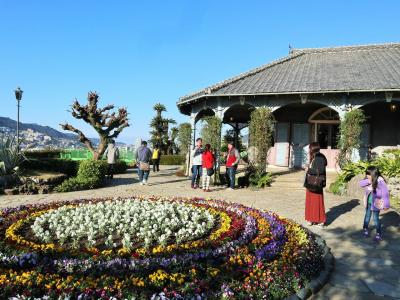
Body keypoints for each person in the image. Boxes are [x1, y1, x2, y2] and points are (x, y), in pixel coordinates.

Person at [359, 166, 390, 242]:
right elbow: (360, 184)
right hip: (369, 203)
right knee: (367, 216)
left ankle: (378, 234)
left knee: (376, 219)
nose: (367, 176)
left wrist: (386, 205)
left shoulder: (380, 181)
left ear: (374, 174)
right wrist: (369, 181)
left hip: (376, 203)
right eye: (367, 174)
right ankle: (365, 229)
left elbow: (385, 193)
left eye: (369, 174)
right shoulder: (368, 180)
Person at [304, 142, 327, 227]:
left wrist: (308, 170)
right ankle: (312, 218)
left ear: (313, 149)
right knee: (311, 202)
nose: (309, 150)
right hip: (311, 182)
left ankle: (321, 220)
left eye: (310, 148)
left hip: (316, 183)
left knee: (317, 202)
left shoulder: (319, 157)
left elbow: (320, 171)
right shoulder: (315, 156)